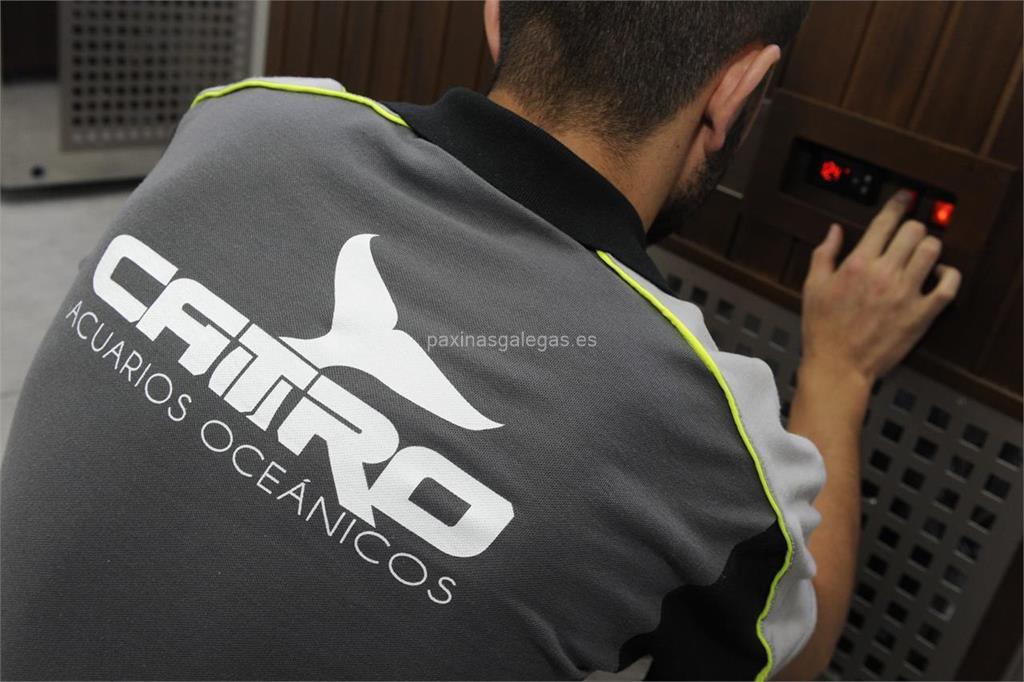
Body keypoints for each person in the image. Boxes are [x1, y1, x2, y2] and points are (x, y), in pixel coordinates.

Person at [1, 2, 960, 680]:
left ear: (497, 14)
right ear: (739, 91)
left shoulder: (242, 119)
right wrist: (839, 370)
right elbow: (798, 649)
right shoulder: (709, 433)